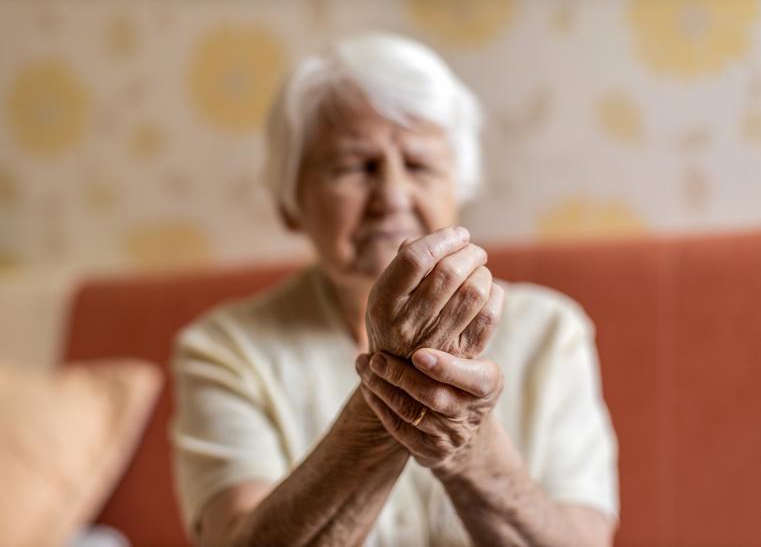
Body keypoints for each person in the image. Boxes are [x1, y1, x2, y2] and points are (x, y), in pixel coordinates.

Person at [171, 32, 619, 546]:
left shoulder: (550, 331)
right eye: (354, 167)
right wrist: (392, 399)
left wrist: (470, 450)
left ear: (460, 188)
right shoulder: (224, 348)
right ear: (290, 203)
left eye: (419, 164)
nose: (392, 196)